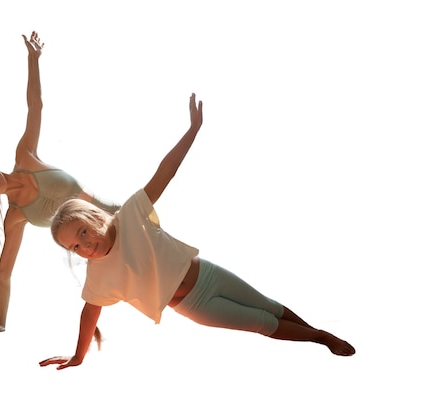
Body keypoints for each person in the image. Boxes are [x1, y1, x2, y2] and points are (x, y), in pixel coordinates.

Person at [39, 93, 355, 370]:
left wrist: (192, 131)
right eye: (74, 248)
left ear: (92, 218)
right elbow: (89, 315)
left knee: (270, 306)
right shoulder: (98, 277)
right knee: (262, 322)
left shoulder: (131, 215)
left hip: (208, 274)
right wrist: (78, 356)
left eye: (81, 233)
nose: (83, 246)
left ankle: (318, 332)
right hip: (194, 305)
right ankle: (319, 338)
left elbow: (165, 172)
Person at [0, 31, 118, 338]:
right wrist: (0, 321)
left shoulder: (25, 157)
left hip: (115, 215)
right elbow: (4, 274)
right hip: (98, 247)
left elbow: (35, 106)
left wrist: (33, 59)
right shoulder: (16, 217)